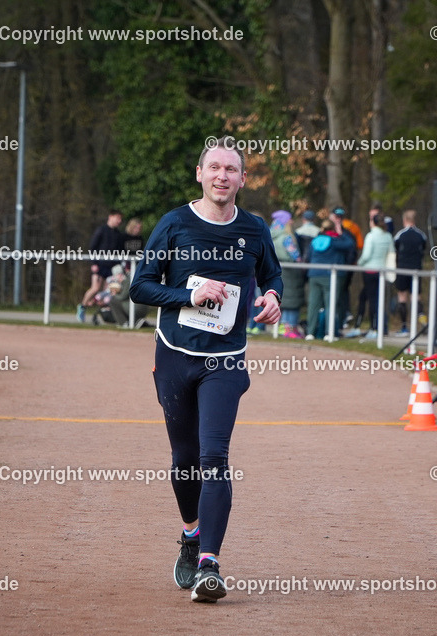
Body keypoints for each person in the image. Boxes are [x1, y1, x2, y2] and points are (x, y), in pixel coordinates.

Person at [129, 137, 282, 603]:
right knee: (185, 460)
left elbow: (272, 273)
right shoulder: (175, 224)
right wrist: (187, 297)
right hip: (175, 354)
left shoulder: (254, 229)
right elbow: (141, 287)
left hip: (225, 359)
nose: (222, 176)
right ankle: (191, 535)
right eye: (214, 168)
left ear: (242, 179)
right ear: (200, 174)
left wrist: (273, 297)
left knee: (214, 456)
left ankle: (210, 565)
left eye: (231, 170)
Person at [304, 218, 356, 340]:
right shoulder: (334, 241)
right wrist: (341, 232)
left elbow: (308, 256)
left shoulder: (314, 241)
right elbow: (350, 244)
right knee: (330, 305)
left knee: (313, 305)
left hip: (314, 275)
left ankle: (310, 333)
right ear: (332, 229)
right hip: (330, 276)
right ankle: (329, 333)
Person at [79, 209, 124, 322]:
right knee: (95, 288)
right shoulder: (101, 230)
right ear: (111, 217)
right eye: (118, 218)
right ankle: (82, 307)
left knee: (107, 294)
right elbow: (93, 247)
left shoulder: (118, 234)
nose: (119, 221)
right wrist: (94, 263)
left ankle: (100, 316)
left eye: (120, 219)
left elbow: (119, 252)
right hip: (100, 266)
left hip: (111, 268)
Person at [354, 212, 394, 339]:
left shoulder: (371, 236)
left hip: (370, 271)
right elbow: (392, 252)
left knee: (372, 300)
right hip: (381, 271)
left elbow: (366, 255)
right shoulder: (387, 236)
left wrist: (358, 263)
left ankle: (374, 328)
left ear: (373, 222)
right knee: (368, 297)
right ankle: (363, 325)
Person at [392, 209, 427, 336]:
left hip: (402, 269)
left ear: (404, 220)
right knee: (416, 297)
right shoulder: (421, 235)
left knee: (402, 297)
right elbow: (423, 248)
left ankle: (404, 327)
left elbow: (395, 247)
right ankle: (423, 322)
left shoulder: (400, 235)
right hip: (416, 270)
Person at [270, 210, 304, 338]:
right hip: (291, 272)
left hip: (277, 269)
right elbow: (296, 256)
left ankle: (283, 326)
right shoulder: (287, 237)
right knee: (292, 300)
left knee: (283, 299)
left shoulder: (271, 235)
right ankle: (290, 327)